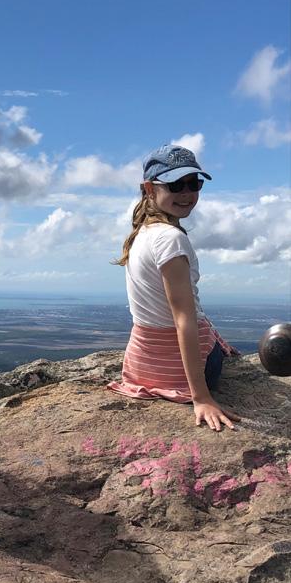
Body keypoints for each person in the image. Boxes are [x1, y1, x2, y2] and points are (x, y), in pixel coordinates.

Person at [108, 144, 240, 432]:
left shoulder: (142, 234)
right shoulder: (171, 239)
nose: (186, 193)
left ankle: (214, 341)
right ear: (149, 188)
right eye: (175, 184)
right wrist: (201, 397)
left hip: (143, 368)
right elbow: (183, 320)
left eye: (194, 183)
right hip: (179, 374)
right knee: (207, 336)